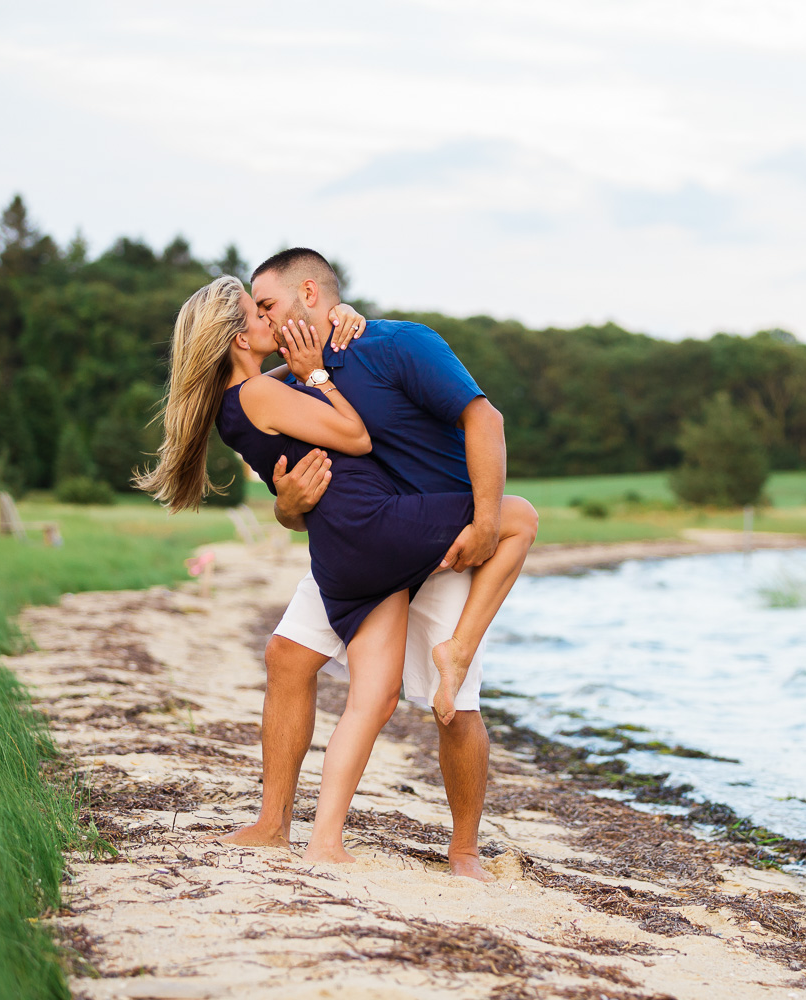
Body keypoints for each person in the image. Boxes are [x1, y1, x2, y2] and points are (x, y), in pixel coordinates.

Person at [137, 262, 535, 874]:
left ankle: (434, 849)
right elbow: (333, 451)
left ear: (308, 294)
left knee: (408, 702)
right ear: (240, 336)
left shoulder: (388, 345)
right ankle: (281, 826)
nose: (266, 317)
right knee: (293, 657)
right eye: (256, 310)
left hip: (396, 537)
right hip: (376, 534)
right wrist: (285, 505)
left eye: (267, 303)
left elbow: (483, 419)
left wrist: (484, 522)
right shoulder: (284, 380)